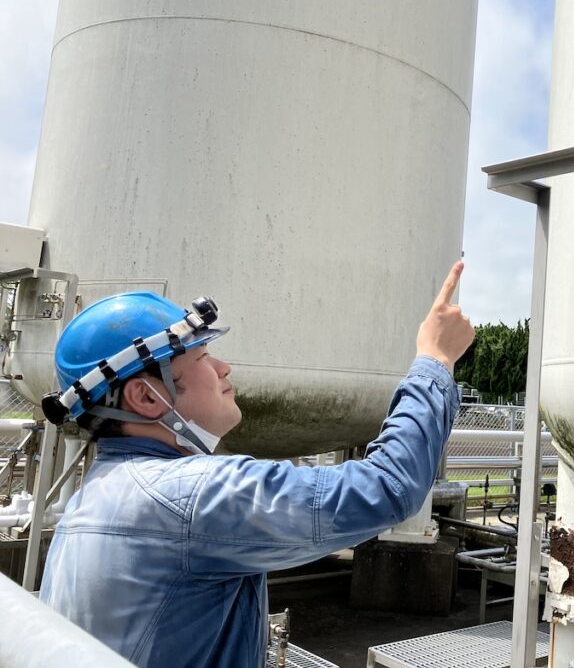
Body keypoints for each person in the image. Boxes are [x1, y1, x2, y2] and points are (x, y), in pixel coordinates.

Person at [38, 262, 474, 667]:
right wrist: (435, 360)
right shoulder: (188, 497)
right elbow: (387, 487)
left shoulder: (93, 497)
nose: (223, 367)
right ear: (147, 397)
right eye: (201, 357)